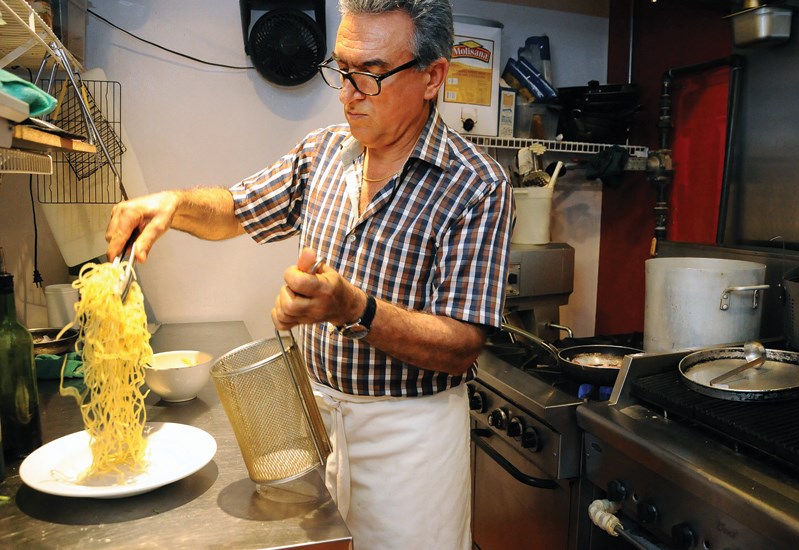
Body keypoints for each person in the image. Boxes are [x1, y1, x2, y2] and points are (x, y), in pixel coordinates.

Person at [106, 1, 513, 548]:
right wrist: (173, 205)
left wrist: (354, 309)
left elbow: (461, 345)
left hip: (409, 437)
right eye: (342, 70)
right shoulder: (324, 153)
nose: (347, 94)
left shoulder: (476, 185)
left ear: (432, 77)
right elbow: (236, 208)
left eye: (370, 75)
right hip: (313, 416)